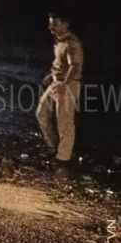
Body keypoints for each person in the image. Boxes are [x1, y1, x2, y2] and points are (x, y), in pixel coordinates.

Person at [36, 12, 83, 164]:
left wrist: (65, 83)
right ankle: (53, 147)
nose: (51, 27)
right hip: (56, 83)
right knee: (41, 113)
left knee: (65, 122)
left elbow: (74, 66)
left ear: (65, 24)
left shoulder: (72, 43)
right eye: (51, 23)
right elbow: (61, 64)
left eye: (55, 23)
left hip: (67, 85)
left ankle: (63, 158)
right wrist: (52, 76)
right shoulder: (59, 41)